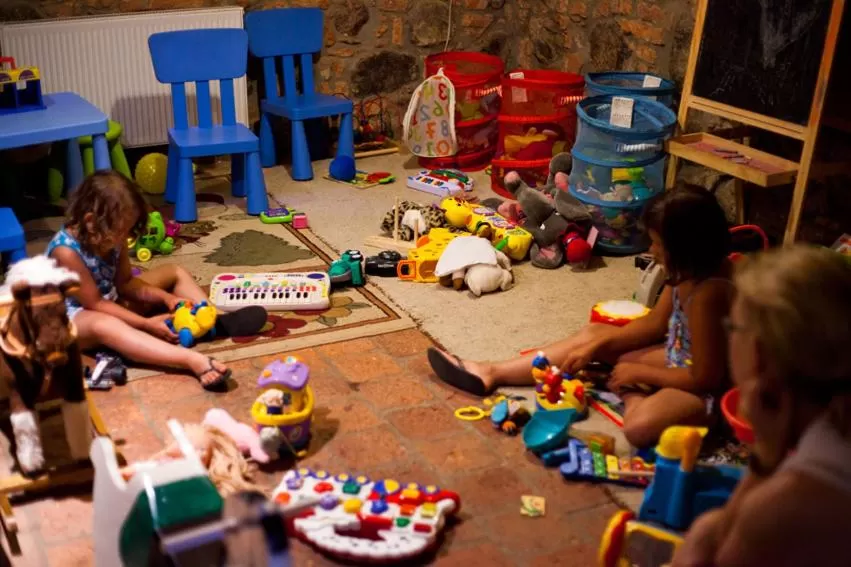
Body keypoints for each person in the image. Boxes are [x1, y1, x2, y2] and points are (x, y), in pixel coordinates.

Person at [428, 184, 734, 448]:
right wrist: (597, 347)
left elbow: (705, 377)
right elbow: (654, 325)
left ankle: (628, 390)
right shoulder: (683, 272)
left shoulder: (709, 295)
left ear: (685, 249)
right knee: (594, 337)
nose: (652, 250)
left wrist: (639, 376)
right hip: (677, 358)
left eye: (657, 243)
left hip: (705, 390)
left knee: (639, 427)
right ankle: (490, 371)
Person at [672, 245, 851, 567]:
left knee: (702, 534)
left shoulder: (785, 506)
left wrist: (764, 457)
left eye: (732, 328)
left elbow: (727, 549)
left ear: (757, 353)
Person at [46, 171, 267, 390]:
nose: (125, 238)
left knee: (174, 271)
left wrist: (167, 297)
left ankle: (211, 319)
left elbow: (126, 283)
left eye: (128, 231)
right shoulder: (65, 252)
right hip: (71, 320)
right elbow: (94, 304)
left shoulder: (114, 238)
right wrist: (145, 324)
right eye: (121, 231)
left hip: (107, 300)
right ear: (91, 222)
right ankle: (189, 360)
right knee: (105, 325)